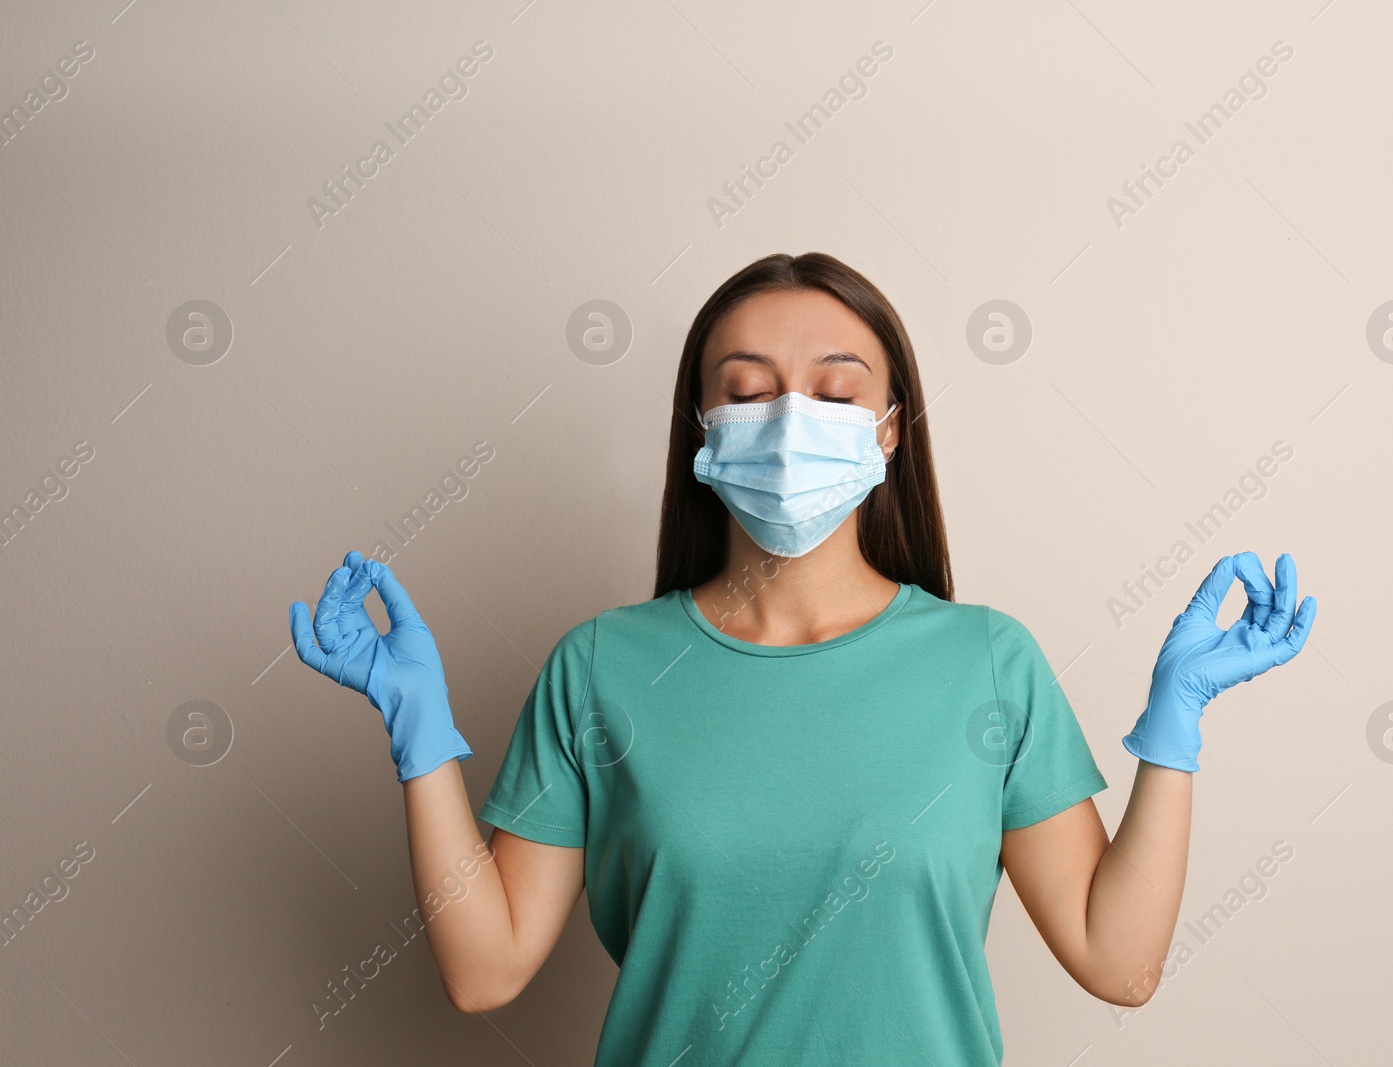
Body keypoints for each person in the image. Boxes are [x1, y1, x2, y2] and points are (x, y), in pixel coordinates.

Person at [289, 252, 1316, 1065]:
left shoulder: (987, 662)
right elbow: (484, 969)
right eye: (748, 389)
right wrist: (420, 733)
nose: (788, 421)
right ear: (700, 428)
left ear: (890, 431)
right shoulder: (601, 667)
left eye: (832, 391)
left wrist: (1174, 723)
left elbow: (1118, 959)